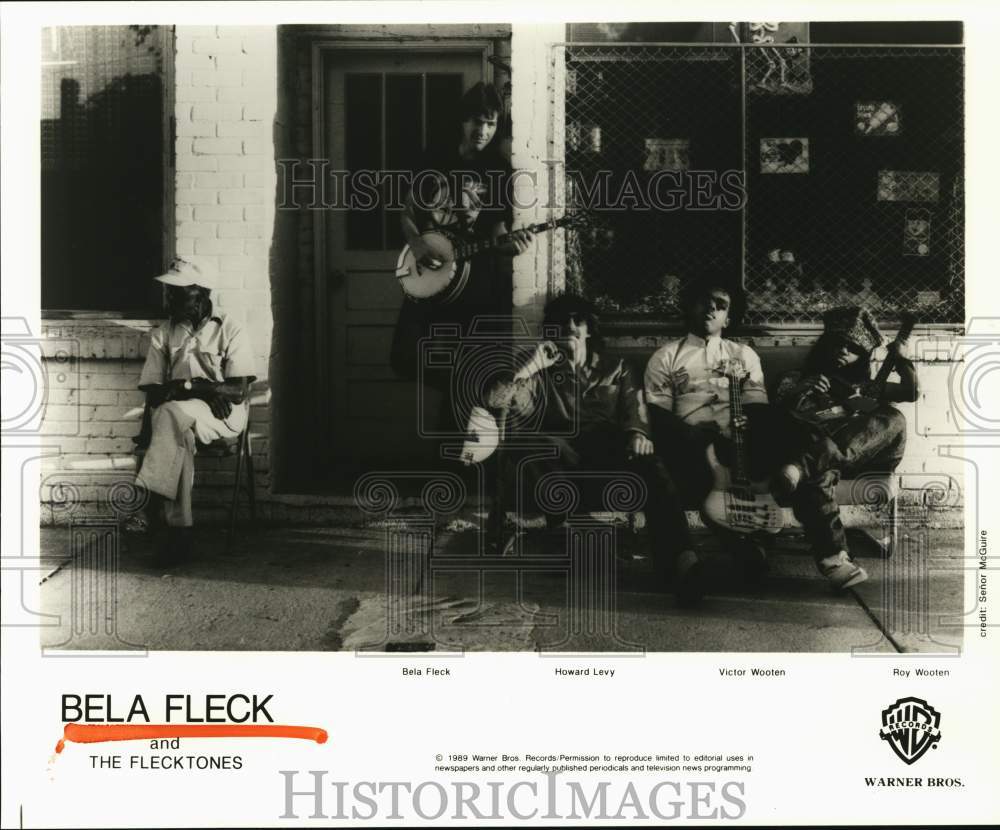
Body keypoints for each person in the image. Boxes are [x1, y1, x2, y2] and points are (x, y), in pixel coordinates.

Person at [644, 279, 868, 602]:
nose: (711, 308)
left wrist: (751, 421)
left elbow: (758, 407)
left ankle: (833, 558)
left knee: (802, 436)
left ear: (728, 318)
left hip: (743, 440)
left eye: (721, 305)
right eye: (704, 301)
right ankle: (713, 558)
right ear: (689, 307)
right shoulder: (666, 356)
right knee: (661, 455)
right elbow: (658, 415)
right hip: (691, 445)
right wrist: (691, 431)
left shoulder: (743, 354)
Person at [479, 293, 696, 601]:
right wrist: (529, 368)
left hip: (606, 450)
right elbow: (494, 401)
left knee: (651, 465)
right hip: (557, 459)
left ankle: (681, 559)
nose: (570, 327)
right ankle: (575, 531)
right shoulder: (537, 369)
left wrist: (638, 434)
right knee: (531, 442)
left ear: (589, 329)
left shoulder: (617, 367)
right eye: (561, 322)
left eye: (577, 321)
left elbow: (635, 407)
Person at [390, 82, 532, 437]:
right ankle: (468, 391)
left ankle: (455, 456)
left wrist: (512, 246)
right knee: (404, 357)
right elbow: (406, 212)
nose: (482, 130)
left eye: (490, 123)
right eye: (476, 121)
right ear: (462, 121)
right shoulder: (435, 159)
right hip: (428, 277)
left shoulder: (499, 170)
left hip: (475, 284)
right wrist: (417, 244)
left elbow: (498, 232)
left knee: (469, 367)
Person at [135, 257, 255, 563]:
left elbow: (238, 392)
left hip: (223, 415)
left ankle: (153, 509)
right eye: (169, 290)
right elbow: (153, 389)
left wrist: (190, 387)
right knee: (179, 433)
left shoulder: (230, 328)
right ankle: (180, 532)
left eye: (178, 291)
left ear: (201, 293)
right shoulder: (165, 332)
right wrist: (204, 390)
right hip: (180, 416)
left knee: (169, 414)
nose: (170, 297)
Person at [774, 306, 918, 478]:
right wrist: (800, 390)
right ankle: (817, 466)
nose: (843, 351)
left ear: (862, 356)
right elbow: (774, 417)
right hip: (813, 449)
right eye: (838, 344)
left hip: (854, 460)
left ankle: (808, 465)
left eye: (853, 348)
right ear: (825, 346)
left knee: (895, 418)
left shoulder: (866, 387)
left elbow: (911, 393)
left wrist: (902, 360)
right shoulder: (795, 378)